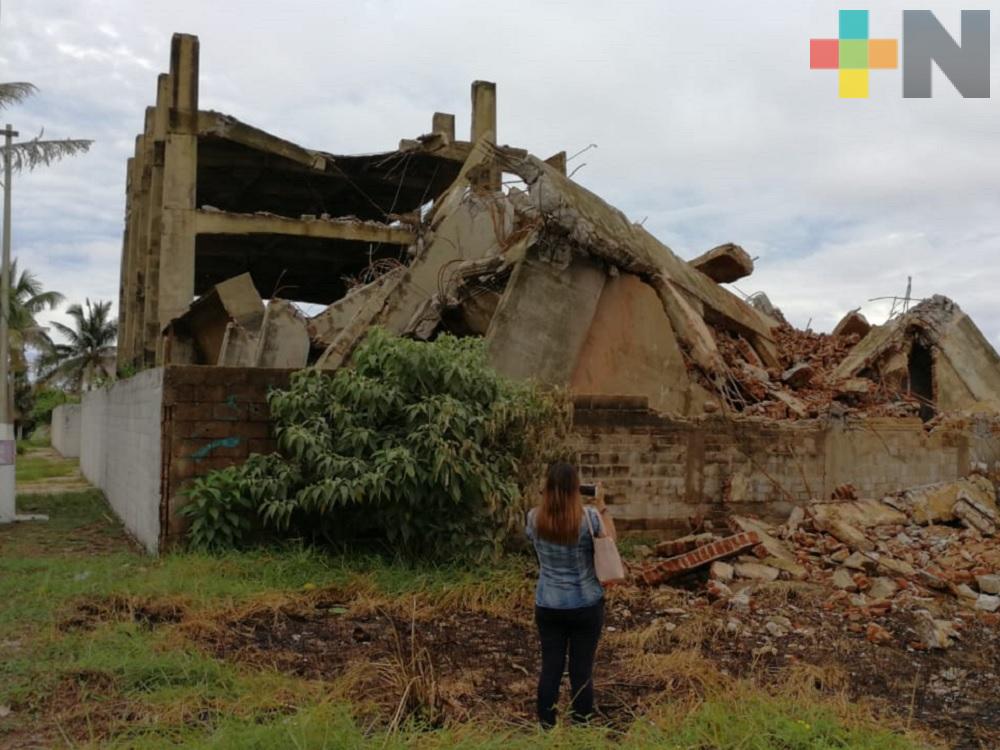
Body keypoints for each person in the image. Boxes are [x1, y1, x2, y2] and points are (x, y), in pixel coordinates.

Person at [525, 461, 617, 728]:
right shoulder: (589, 517)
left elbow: (533, 540)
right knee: (581, 671)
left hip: (548, 603)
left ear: (547, 488)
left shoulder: (533, 517)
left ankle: (546, 727)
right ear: (576, 489)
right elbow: (610, 541)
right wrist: (602, 504)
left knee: (550, 667)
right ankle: (581, 728)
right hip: (585, 603)